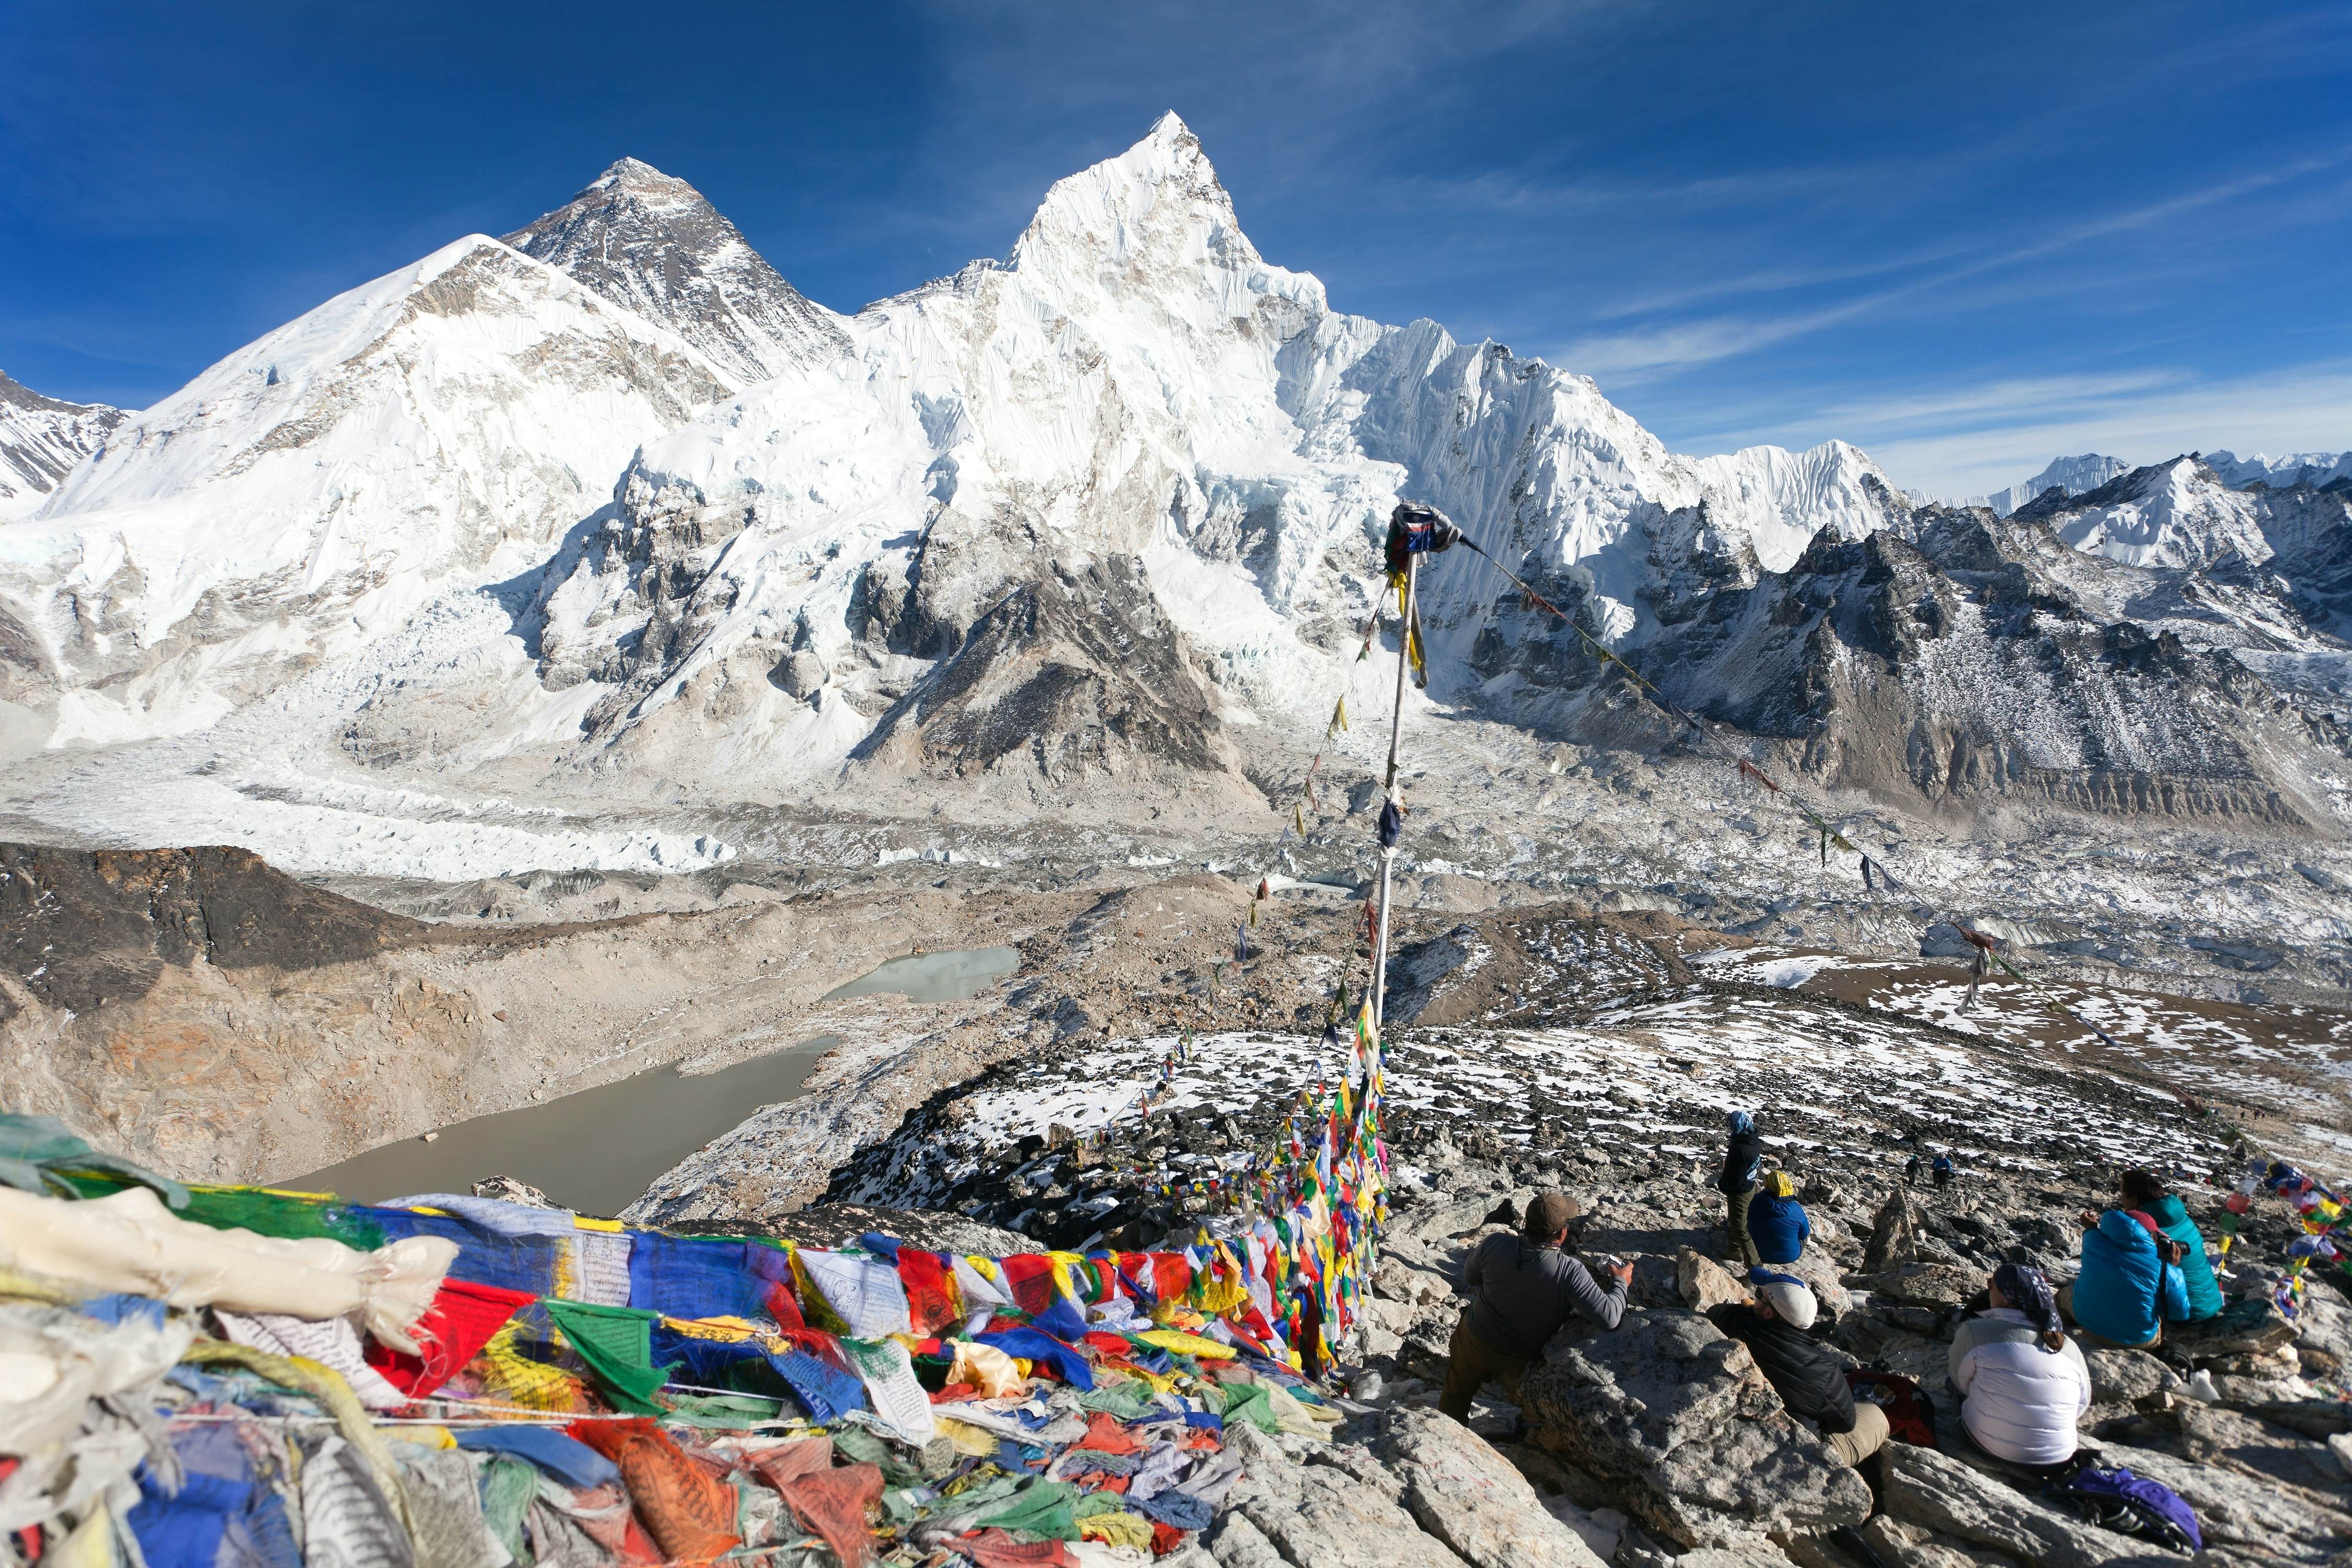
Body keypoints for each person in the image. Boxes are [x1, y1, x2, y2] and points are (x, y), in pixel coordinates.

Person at [1440, 1191, 1631, 1423]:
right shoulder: (1570, 1271)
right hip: (1521, 1359)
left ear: (1525, 1222)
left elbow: (1471, 1277)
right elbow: (1609, 1318)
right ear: (1562, 1234)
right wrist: (1621, 1281)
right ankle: (1526, 1434)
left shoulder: (1495, 1243)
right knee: (1534, 1409)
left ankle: (1449, 1427)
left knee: (1456, 1389)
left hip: (1475, 1339)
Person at [1708, 1271, 1887, 1466]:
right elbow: (1845, 1424)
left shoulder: (1733, 1321)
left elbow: (1715, 1311)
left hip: (1744, 1435)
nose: (1753, 1297)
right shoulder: (1825, 1370)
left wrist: (1749, 1312)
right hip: (1798, 1450)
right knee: (1876, 1415)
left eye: (1759, 1295)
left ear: (1768, 1313)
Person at [1950, 1262, 2092, 1469]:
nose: (1988, 1288)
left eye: (1991, 1284)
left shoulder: (1974, 1331)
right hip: (2059, 1457)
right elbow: (2082, 1403)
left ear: (2007, 1298)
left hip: (1993, 1448)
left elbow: (1959, 1381)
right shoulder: (2068, 1346)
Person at [2058, 1206, 2190, 1348]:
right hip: (2137, 1338)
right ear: (2151, 1237)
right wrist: (2171, 1268)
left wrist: (2091, 1225)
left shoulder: (2092, 1241)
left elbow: (2091, 1230)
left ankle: (2062, 1329)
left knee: (2063, 1295)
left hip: (2089, 1325)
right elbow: (2180, 1313)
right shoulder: (2168, 1272)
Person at [2122, 1168, 2222, 1322]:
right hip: (2210, 1303)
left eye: (2123, 1195)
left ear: (2134, 1201)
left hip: (2185, 1312)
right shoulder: (2181, 1218)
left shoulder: (2144, 1230)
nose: (2121, 1200)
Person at [1720, 1111, 1765, 1267]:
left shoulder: (1740, 1148)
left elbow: (1735, 1178)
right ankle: (1733, 1249)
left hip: (1740, 1191)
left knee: (1740, 1228)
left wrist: (1723, 1185)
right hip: (1750, 1186)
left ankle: (1755, 1265)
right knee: (1736, 1220)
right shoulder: (1753, 1140)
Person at [1749, 1170, 1812, 1266]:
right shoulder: (1796, 1209)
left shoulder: (1755, 1201)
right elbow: (1804, 1234)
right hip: (1788, 1257)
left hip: (1757, 1252)